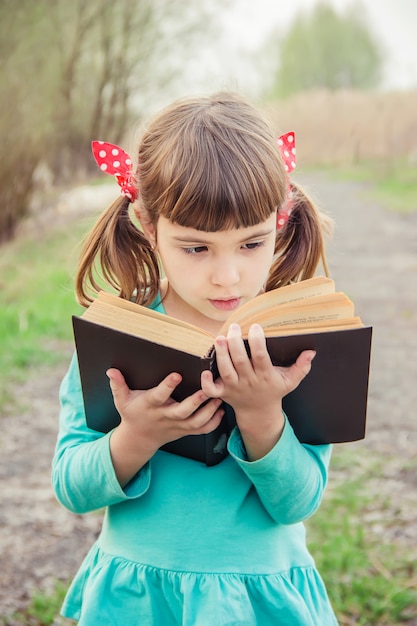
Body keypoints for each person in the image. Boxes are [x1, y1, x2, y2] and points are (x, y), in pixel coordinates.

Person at [52, 91, 338, 625]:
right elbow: (72, 487)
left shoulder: (293, 339)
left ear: (280, 220)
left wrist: (261, 416)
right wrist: (136, 436)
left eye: (251, 244)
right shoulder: (117, 337)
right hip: (140, 600)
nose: (227, 276)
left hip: (258, 602)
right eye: (196, 248)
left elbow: (298, 504)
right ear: (146, 223)